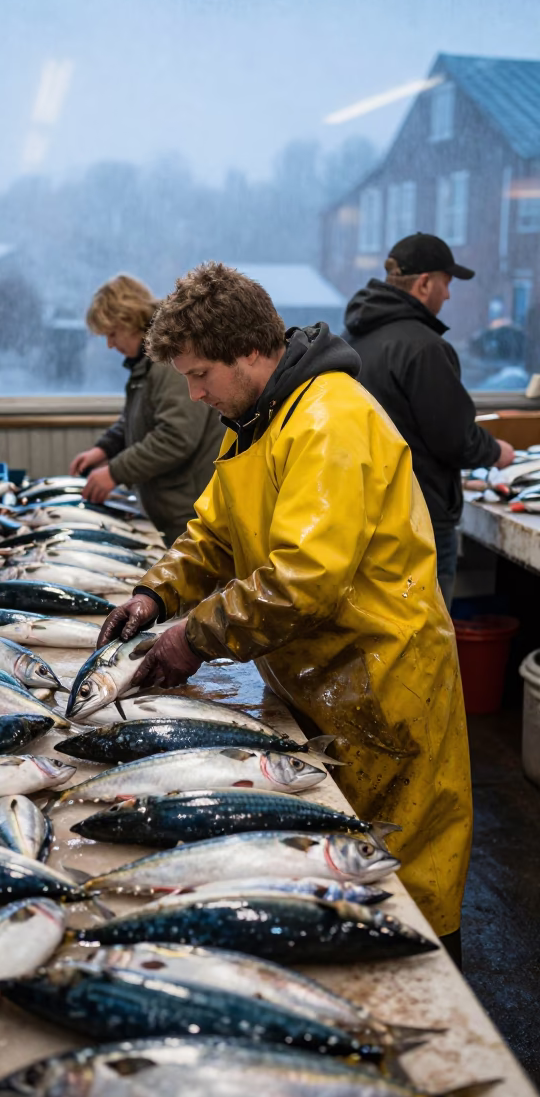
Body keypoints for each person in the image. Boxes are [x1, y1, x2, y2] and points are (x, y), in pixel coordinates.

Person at [97, 262, 473, 952]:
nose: (195, 393)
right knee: (323, 882)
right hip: (317, 676)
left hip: (384, 683)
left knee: (398, 889)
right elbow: (215, 532)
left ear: (248, 350)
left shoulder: (331, 418)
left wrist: (195, 637)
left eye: (201, 374)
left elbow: (304, 579)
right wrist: (156, 591)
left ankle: (439, 995)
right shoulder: (254, 418)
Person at [343, 233, 514, 606]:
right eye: (446, 283)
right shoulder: (424, 347)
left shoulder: (351, 339)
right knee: (429, 632)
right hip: (420, 521)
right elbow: (454, 439)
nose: (448, 295)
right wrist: (497, 452)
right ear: (424, 284)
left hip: (364, 515)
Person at [70, 274, 225, 543]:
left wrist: (115, 472)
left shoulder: (170, 360)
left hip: (189, 511)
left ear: (129, 320)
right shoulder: (145, 363)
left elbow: (176, 436)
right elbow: (138, 418)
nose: (109, 344)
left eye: (112, 334)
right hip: (171, 506)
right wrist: (105, 448)